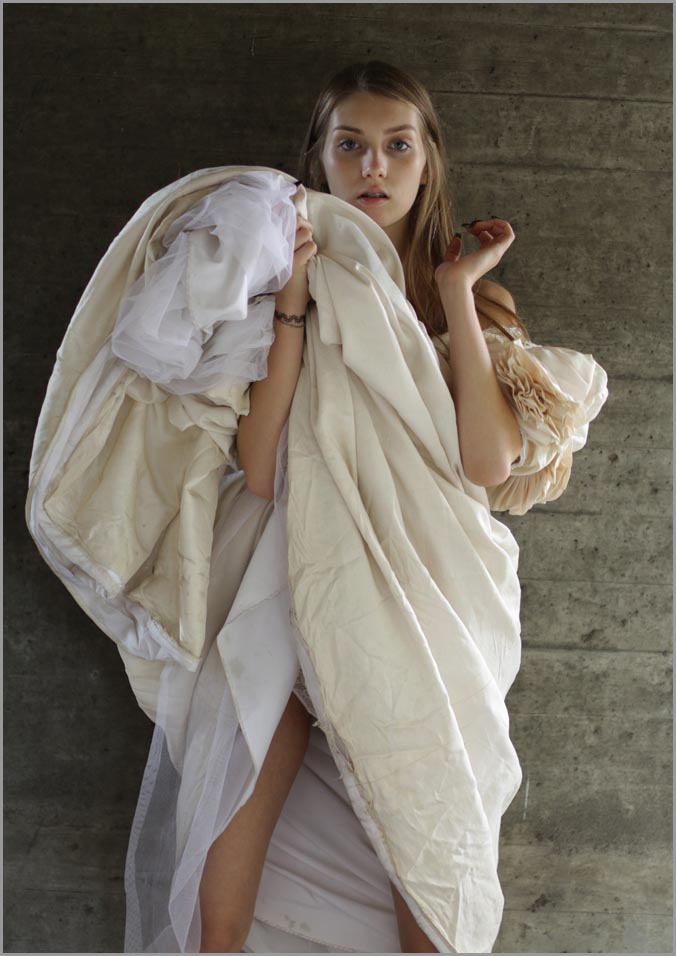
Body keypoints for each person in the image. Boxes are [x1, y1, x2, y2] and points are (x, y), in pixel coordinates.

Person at [201, 59, 529, 954]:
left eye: (397, 146)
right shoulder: (285, 289)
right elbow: (261, 469)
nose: (373, 167)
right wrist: (293, 300)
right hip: (299, 574)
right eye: (350, 146)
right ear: (318, 160)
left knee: (430, 861)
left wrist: (456, 294)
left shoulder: (476, 300)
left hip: (429, 599)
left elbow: (487, 461)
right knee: (220, 897)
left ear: (428, 163)